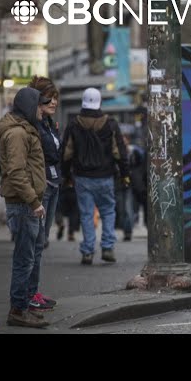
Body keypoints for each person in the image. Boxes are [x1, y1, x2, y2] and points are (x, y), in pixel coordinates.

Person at [0, 87, 51, 328]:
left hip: (25, 204)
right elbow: (17, 173)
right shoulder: (18, 134)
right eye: (39, 105)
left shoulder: (24, 130)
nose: (43, 109)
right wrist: (34, 201)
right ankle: (18, 310)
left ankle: (22, 306)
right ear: (30, 106)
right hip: (22, 205)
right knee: (24, 260)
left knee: (26, 257)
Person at [60, 88, 130, 265]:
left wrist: (66, 175)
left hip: (82, 177)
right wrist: (125, 174)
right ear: (99, 102)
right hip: (105, 176)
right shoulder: (110, 124)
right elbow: (120, 152)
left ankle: (88, 251)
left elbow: (66, 154)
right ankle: (107, 247)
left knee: (86, 214)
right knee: (107, 211)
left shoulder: (74, 124)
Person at [28, 76, 62, 251]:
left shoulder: (50, 124)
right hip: (42, 185)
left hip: (54, 183)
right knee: (37, 240)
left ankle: (35, 279)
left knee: (43, 239)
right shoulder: (33, 125)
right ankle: (33, 279)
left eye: (55, 98)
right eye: (49, 98)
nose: (54, 102)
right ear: (38, 99)